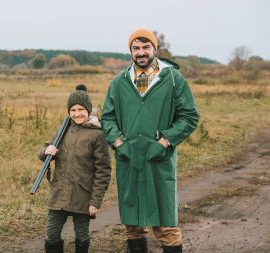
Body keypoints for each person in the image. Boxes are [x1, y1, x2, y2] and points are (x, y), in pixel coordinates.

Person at [101, 28, 199, 253]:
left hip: (159, 159)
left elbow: (189, 116)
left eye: (146, 47)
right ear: (131, 51)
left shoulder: (172, 78)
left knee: (166, 225)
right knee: (133, 224)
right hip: (130, 158)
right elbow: (108, 117)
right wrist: (118, 144)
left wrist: (165, 142)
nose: (141, 52)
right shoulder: (119, 81)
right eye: (136, 48)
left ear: (154, 49)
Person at [38, 84, 112, 253]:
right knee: (52, 234)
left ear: (88, 110)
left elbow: (103, 171)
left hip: (82, 195)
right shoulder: (62, 130)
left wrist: (95, 201)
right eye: (73, 110)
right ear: (68, 111)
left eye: (81, 109)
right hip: (59, 193)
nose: (77, 113)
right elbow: (44, 152)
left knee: (81, 235)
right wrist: (45, 151)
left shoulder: (97, 134)